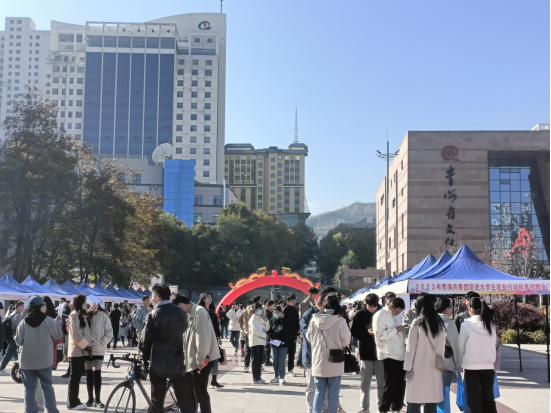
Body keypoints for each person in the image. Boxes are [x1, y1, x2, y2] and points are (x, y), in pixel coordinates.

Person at [140, 285, 194, 413]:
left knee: (157, 400)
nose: (151, 299)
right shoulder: (180, 312)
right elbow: (184, 329)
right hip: (177, 360)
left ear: (158, 297)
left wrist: (144, 359)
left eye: (152, 296)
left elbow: (144, 342)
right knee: (184, 399)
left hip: (158, 362)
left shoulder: (152, 315)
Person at [173, 293, 220, 413]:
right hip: (195, 359)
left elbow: (202, 338)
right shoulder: (191, 314)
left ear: (181, 305)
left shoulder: (200, 312)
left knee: (200, 392)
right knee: (195, 391)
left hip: (202, 360)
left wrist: (200, 359)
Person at [15, 295, 63, 413]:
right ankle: (52, 410)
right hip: (44, 360)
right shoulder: (49, 321)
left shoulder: (23, 322)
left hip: (27, 360)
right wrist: (58, 322)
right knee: (47, 386)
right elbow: (58, 335)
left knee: (29, 388)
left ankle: (30, 410)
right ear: (41, 307)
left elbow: (18, 341)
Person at [306, 294, 351, 413]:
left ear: (324, 304)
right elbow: (346, 341)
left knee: (319, 391)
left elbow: (309, 337)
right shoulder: (341, 321)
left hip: (318, 360)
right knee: (333, 393)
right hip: (335, 360)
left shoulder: (314, 320)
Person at [403, 294, 446, 413]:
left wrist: (407, 368)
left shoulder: (417, 323)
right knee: (431, 402)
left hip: (418, 367)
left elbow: (410, 348)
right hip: (435, 366)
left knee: (414, 400)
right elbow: (442, 346)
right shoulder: (439, 322)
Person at [458, 297, 501, 413]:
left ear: (471, 309)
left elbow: (460, 347)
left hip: (471, 365)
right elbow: (495, 345)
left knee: (473, 397)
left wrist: (460, 364)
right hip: (488, 365)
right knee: (488, 396)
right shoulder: (491, 325)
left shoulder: (465, 325)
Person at [301, 287, 337, 413]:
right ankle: (311, 409)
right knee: (312, 387)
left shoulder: (329, 315)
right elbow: (308, 336)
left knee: (324, 387)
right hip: (311, 356)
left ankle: (325, 409)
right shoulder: (308, 315)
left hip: (324, 357)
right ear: (322, 303)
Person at [351, 293, 384, 413]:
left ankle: (382, 405)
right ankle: (364, 407)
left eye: (375, 306)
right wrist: (366, 332)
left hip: (381, 352)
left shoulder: (383, 313)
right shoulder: (359, 314)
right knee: (365, 382)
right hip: (365, 352)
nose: (372, 309)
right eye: (370, 306)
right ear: (366, 304)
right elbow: (354, 331)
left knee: (382, 382)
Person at [373, 296, 406, 413]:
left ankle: (397, 407)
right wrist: (396, 330)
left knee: (400, 383)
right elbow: (379, 335)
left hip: (400, 353)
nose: (398, 314)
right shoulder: (379, 316)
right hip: (388, 354)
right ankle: (383, 409)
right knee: (390, 384)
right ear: (390, 307)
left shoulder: (398, 316)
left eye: (400, 312)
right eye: (396, 312)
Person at [85, 302, 113, 408]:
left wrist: (102, 343)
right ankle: (90, 399)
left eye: (96, 305)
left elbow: (109, 332)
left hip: (99, 348)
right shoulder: (85, 315)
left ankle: (97, 399)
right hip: (86, 348)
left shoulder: (103, 316)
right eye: (92, 306)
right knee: (88, 373)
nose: (94, 307)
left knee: (97, 372)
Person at [67, 294, 92, 410]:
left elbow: (85, 332)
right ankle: (72, 402)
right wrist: (86, 345)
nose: (86, 304)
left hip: (82, 351)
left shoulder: (81, 315)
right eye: (84, 302)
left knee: (77, 377)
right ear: (80, 303)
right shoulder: (74, 315)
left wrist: (90, 342)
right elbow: (76, 334)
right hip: (76, 351)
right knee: (74, 377)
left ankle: (75, 400)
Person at [198, 292, 223, 389]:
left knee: (215, 358)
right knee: (204, 358)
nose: (210, 299)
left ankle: (214, 380)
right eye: (208, 297)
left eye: (211, 297)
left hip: (213, 337)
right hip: (204, 337)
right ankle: (202, 380)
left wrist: (219, 337)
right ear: (203, 299)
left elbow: (216, 325)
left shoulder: (212, 310)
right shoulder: (200, 310)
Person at [436, 297, 461, 393]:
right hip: (445, 363)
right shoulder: (448, 323)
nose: (452, 309)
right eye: (451, 307)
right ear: (446, 309)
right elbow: (456, 345)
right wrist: (459, 366)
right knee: (443, 392)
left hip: (429, 363)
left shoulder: (428, 321)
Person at [238, 296, 262, 373]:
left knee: (248, 349)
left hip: (248, 332)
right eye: (260, 301)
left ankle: (247, 366)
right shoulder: (256, 309)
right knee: (255, 349)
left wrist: (243, 329)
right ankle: (256, 365)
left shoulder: (246, 309)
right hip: (254, 332)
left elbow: (239, 319)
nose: (261, 302)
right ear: (257, 301)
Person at [248, 302, 270, 384]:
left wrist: (266, 320)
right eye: (259, 308)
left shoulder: (260, 318)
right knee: (256, 360)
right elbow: (255, 331)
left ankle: (258, 377)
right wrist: (265, 336)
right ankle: (255, 378)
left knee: (260, 360)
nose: (261, 310)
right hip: (255, 342)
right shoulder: (253, 319)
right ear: (254, 310)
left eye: (261, 308)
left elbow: (267, 328)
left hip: (261, 342)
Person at [0, 301, 24, 373]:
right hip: (14, 338)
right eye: (22, 307)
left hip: (10, 337)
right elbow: (20, 328)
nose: (23, 308)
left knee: (15, 352)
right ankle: (1, 367)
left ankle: (19, 366)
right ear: (18, 307)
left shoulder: (11, 314)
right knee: (9, 352)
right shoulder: (17, 316)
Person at [268, 305, 288, 384]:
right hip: (274, 342)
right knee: (275, 360)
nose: (276, 314)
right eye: (275, 312)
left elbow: (287, 329)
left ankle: (281, 377)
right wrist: (270, 338)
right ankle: (276, 376)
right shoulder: (271, 320)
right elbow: (268, 331)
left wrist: (282, 319)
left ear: (281, 313)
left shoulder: (284, 320)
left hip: (283, 343)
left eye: (278, 312)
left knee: (282, 361)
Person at [283, 294, 300, 377]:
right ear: (288, 302)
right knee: (284, 353)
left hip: (293, 335)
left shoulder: (295, 310)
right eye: (292, 301)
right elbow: (286, 323)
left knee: (292, 353)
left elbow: (297, 321)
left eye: (294, 300)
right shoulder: (285, 310)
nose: (294, 302)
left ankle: (290, 369)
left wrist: (298, 332)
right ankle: (282, 370)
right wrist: (295, 329)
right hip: (286, 335)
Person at [264, 300, 275, 366]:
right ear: (269, 306)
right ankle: (267, 360)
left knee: (268, 346)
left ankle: (266, 359)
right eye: (273, 306)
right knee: (267, 346)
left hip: (268, 331)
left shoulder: (269, 313)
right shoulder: (267, 314)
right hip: (268, 331)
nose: (273, 307)